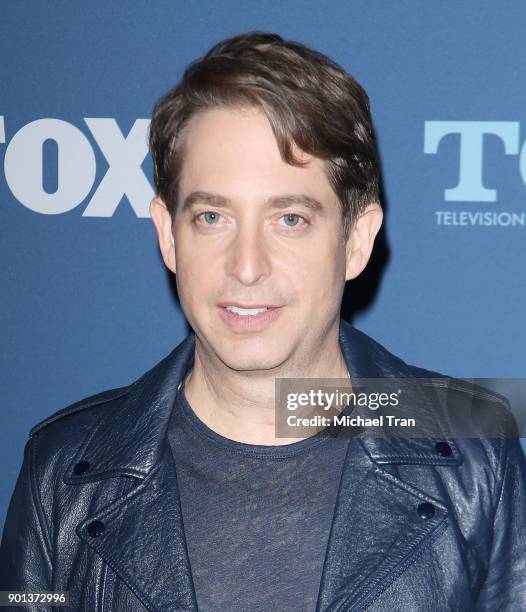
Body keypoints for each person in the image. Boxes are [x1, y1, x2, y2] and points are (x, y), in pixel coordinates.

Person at [1, 31, 525, 611]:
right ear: (167, 235)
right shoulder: (63, 470)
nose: (246, 267)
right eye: (211, 217)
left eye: (291, 219)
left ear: (356, 240)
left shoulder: (473, 448)